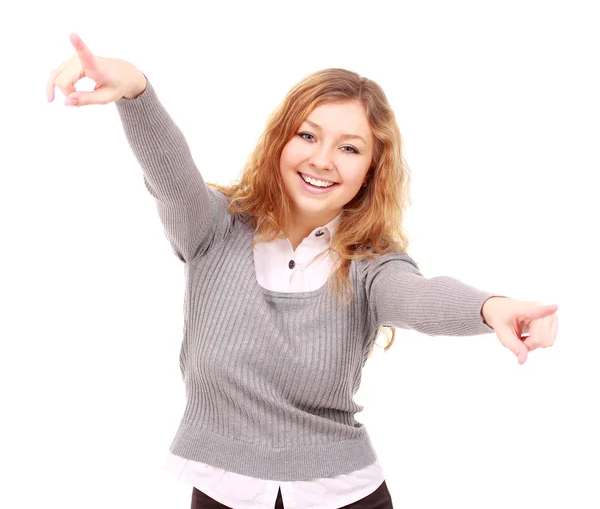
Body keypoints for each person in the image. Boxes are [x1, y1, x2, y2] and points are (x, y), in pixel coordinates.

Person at [46, 33, 558, 509]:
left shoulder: (370, 266)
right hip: (224, 491)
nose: (323, 160)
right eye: (308, 135)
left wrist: (490, 309)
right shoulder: (211, 230)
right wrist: (134, 91)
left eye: (349, 147)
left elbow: (418, 297)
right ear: (280, 142)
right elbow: (171, 176)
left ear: (370, 174)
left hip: (347, 494)